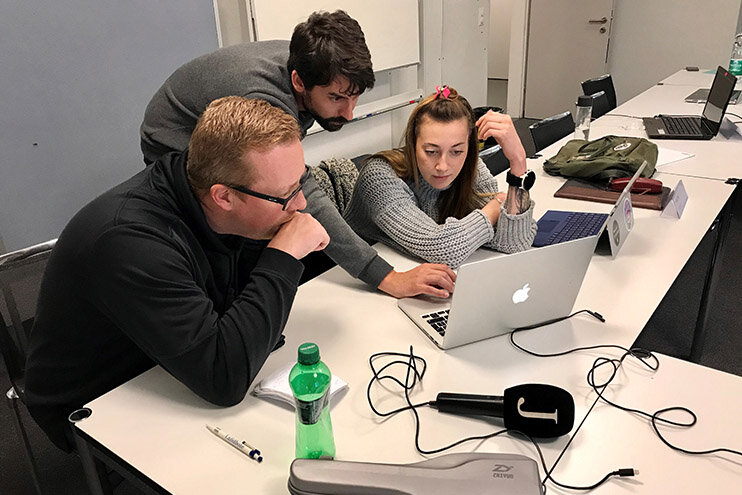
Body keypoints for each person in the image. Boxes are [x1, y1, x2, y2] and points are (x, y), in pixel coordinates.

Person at [25, 97, 332, 451]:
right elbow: (223, 381)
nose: (301, 205)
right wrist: (284, 255)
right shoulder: (129, 242)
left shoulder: (216, 195)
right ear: (224, 197)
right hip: (97, 399)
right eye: (286, 195)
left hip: (169, 359)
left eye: (300, 182)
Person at [140, 10, 455, 299]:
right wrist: (386, 277)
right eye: (335, 98)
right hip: (174, 139)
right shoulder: (265, 99)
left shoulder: (309, 62)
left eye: (354, 97)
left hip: (203, 105)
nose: (348, 114)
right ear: (298, 83)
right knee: (246, 219)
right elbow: (305, 192)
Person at [344, 86, 538, 268]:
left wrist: (518, 162)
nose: (443, 166)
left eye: (456, 151)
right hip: (353, 282)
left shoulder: (470, 166)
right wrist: (496, 207)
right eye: (431, 151)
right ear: (413, 144)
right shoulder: (379, 176)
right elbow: (442, 250)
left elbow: (515, 243)